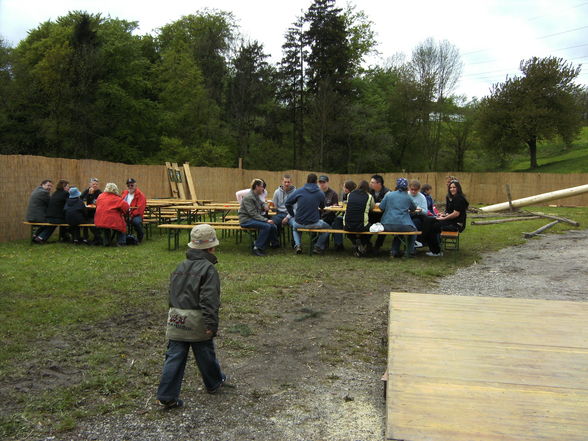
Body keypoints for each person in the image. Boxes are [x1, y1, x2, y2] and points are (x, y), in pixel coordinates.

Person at [156, 224, 227, 409]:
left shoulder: (180, 266)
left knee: (174, 356)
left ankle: (167, 394)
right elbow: (209, 299)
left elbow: (172, 292)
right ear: (211, 247)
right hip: (197, 319)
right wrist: (212, 323)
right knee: (205, 352)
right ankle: (213, 382)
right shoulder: (208, 269)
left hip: (177, 317)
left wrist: (172, 312)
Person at [286, 173, 330, 255]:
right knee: (328, 228)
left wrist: (292, 215)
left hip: (299, 222)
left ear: (307, 180)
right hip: (314, 223)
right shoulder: (320, 193)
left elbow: (287, 203)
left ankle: (298, 245)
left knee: (295, 228)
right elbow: (322, 207)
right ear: (316, 181)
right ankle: (318, 246)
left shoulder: (299, 191)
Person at [423, 179, 469, 257]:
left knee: (432, 226)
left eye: (454, 187)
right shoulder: (450, 197)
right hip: (451, 221)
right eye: (450, 187)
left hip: (457, 225)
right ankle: (427, 242)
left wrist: (444, 218)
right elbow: (449, 211)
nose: (452, 189)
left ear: (458, 188)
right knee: (428, 220)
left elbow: (456, 214)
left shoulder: (459, 198)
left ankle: (435, 250)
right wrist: (443, 214)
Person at [379, 178, 418, 258]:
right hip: (403, 224)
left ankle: (394, 251)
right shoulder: (407, 197)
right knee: (414, 231)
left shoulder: (389, 195)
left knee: (399, 231)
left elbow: (381, 207)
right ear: (406, 187)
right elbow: (414, 208)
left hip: (386, 224)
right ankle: (409, 252)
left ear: (396, 186)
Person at [239, 178, 279, 256]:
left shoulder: (255, 195)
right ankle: (257, 247)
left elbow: (262, 203)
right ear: (256, 187)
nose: (263, 188)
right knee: (267, 226)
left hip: (252, 218)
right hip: (246, 220)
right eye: (261, 186)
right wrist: (266, 220)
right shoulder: (249, 197)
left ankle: (274, 244)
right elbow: (252, 213)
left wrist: (265, 205)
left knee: (272, 225)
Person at [343, 180, 374, 257]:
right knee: (372, 227)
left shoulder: (350, 194)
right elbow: (372, 207)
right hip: (361, 225)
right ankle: (363, 243)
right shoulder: (369, 196)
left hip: (347, 225)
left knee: (351, 228)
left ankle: (355, 242)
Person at [26, 179, 54, 244]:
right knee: (53, 223)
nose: (49, 187)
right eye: (48, 185)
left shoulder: (36, 190)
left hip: (31, 216)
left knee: (47, 222)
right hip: (37, 217)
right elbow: (50, 204)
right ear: (42, 185)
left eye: (51, 186)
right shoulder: (44, 192)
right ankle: (41, 238)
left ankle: (35, 236)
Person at [332, 180, 357, 251]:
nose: (344, 189)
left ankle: (354, 242)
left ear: (350, 188)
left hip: (353, 218)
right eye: (343, 187)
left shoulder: (354, 196)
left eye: (345, 187)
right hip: (345, 215)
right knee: (336, 221)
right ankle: (338, 244)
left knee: (338, 221)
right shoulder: (344, 194)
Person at [271, 174, 296, 244]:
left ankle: (295, 243)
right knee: (271, 224)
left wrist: (287, 217)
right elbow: (274, 206)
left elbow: (296, 208)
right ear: (282, 182)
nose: (287, 184)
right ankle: (275, 243)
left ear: (291, 183)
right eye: (285, 182)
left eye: (288, 182)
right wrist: (273, 208)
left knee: (295, 224)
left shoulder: (295, 192)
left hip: (291, 215)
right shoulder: (277, 192)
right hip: (280, 214)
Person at [120, 178, 146, 243]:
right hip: (125, 214)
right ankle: (122, 239)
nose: (130, 187)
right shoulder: (124, 193)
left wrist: (131, 215)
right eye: (128, 185)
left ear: (135, 185)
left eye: (132, 185)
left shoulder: (140, 195)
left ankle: (140, 236)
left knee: (136, 222)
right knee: (118, 221)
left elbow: (140, 209)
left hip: (136, 215)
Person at [369, 175, 390, 253]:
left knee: (383, 227)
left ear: (379, 184)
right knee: (367, 225)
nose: (370, 184)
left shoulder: (387, 192)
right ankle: (367, 243)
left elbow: (387, 205)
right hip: (371, 214)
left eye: (372, 182)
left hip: (383, 215)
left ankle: (377, 246)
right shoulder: (369, 191)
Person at [407, 179, 429, 247]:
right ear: (409, 188)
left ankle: (413, 243)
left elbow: (426, 212)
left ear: (419, 189)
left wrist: (420, 210)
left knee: (415, 222)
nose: (413, 191)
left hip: (417, 216)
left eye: (415, 190)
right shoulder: (406, 195)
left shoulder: (422, 197)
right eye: (412, 189)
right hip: (406, 216)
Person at [81, 178, 102, 244]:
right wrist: (89, 194)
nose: (95, 185)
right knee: (85, 219)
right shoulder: (86, 191)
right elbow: (82, 199)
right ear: (90, 185)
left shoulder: (100, 193)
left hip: (96, 213)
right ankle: (85, 238)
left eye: (96, 184)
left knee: (92, 222)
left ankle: (97, 238)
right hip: (87, 212)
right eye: (93, 184)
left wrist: (92, 195)